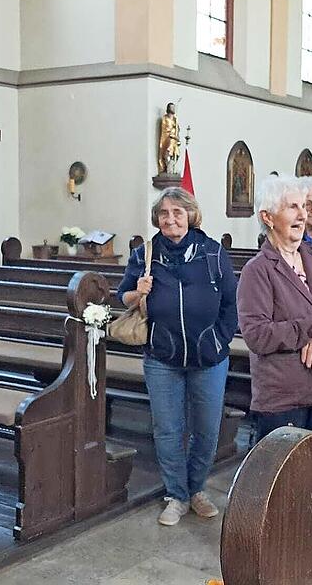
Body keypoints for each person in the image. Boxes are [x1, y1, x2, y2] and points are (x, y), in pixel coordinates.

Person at [116, 187, 237, 527]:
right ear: (157, 219)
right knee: (168, 429)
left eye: (178, 213)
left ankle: (196, 489)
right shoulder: (145, 254)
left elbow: (231, 303)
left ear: (191, 216)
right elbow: (121, 296)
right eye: (164, 214)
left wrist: (220, 340)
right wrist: (136, 292)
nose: (171, 219)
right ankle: (177, 495)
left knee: (207, 430)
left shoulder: (213, 252)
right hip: (161, 356)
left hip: (209, 357)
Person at [237, 175, 312, 449]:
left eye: (303, 207)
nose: (303, 215)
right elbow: (257, 335)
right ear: (268, 217)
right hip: (284, 398)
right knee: (287, 485)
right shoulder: (257, 271)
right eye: (292, 207)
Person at [157, 102, 180, 174]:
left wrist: (177, 136)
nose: (173, 109)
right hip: (168, 139)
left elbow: (177, 130)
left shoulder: (175, 120)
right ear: (168, 109)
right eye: (172, 107)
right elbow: (166, 129)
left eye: (174, 107)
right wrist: (172, 132)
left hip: (174, 139)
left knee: (176, 153)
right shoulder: (165, 118)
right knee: (168, 152)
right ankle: (168, 167)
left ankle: (172, 167)